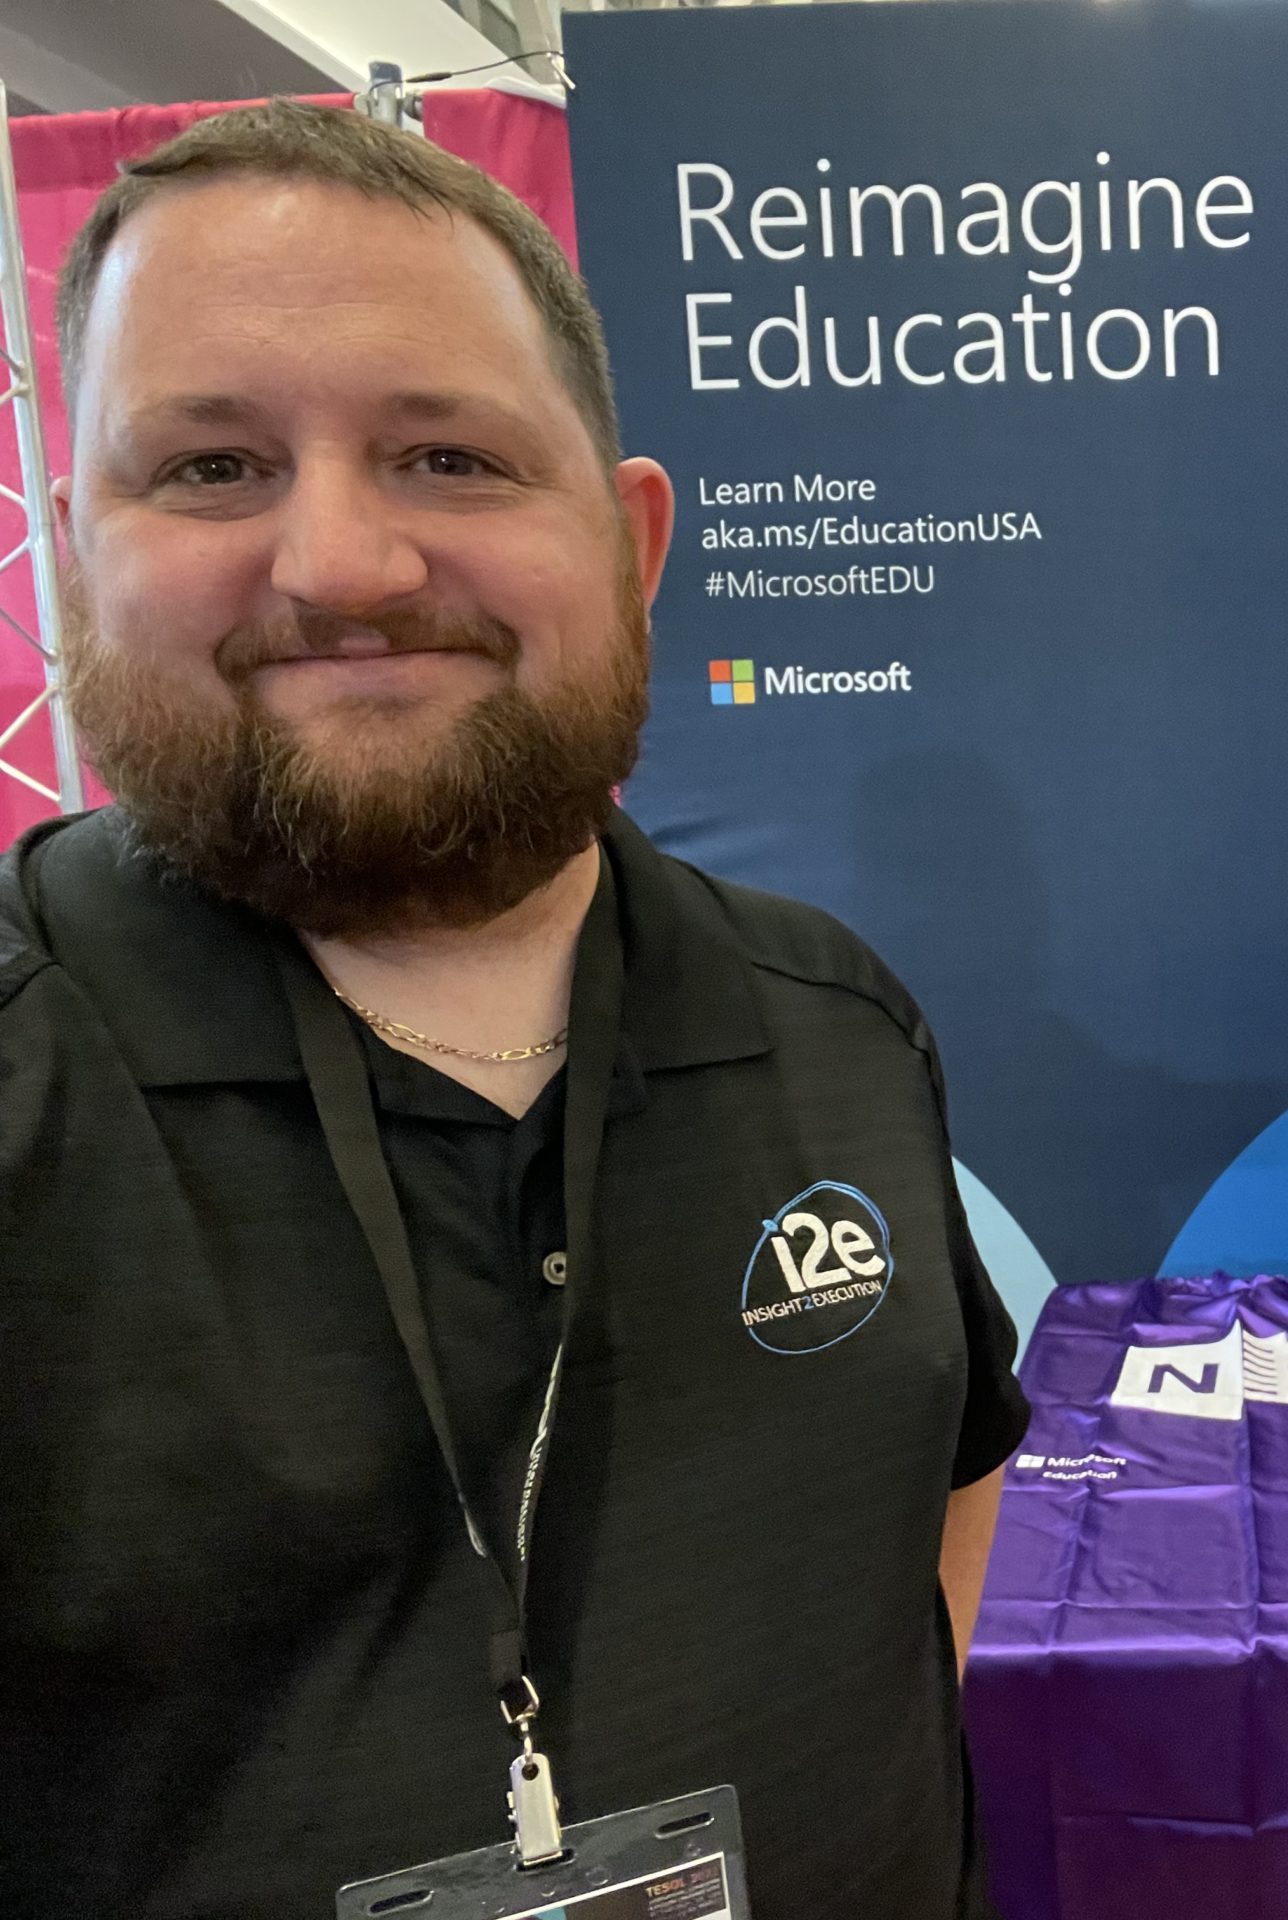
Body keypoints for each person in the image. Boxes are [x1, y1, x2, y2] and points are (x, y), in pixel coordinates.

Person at [0, 102, 1028, 1917]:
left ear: (630, 547)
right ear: (77, 550)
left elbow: (943, 1496)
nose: (342, 564)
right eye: (216, 469)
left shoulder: (830, 1018)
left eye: (449, 459)